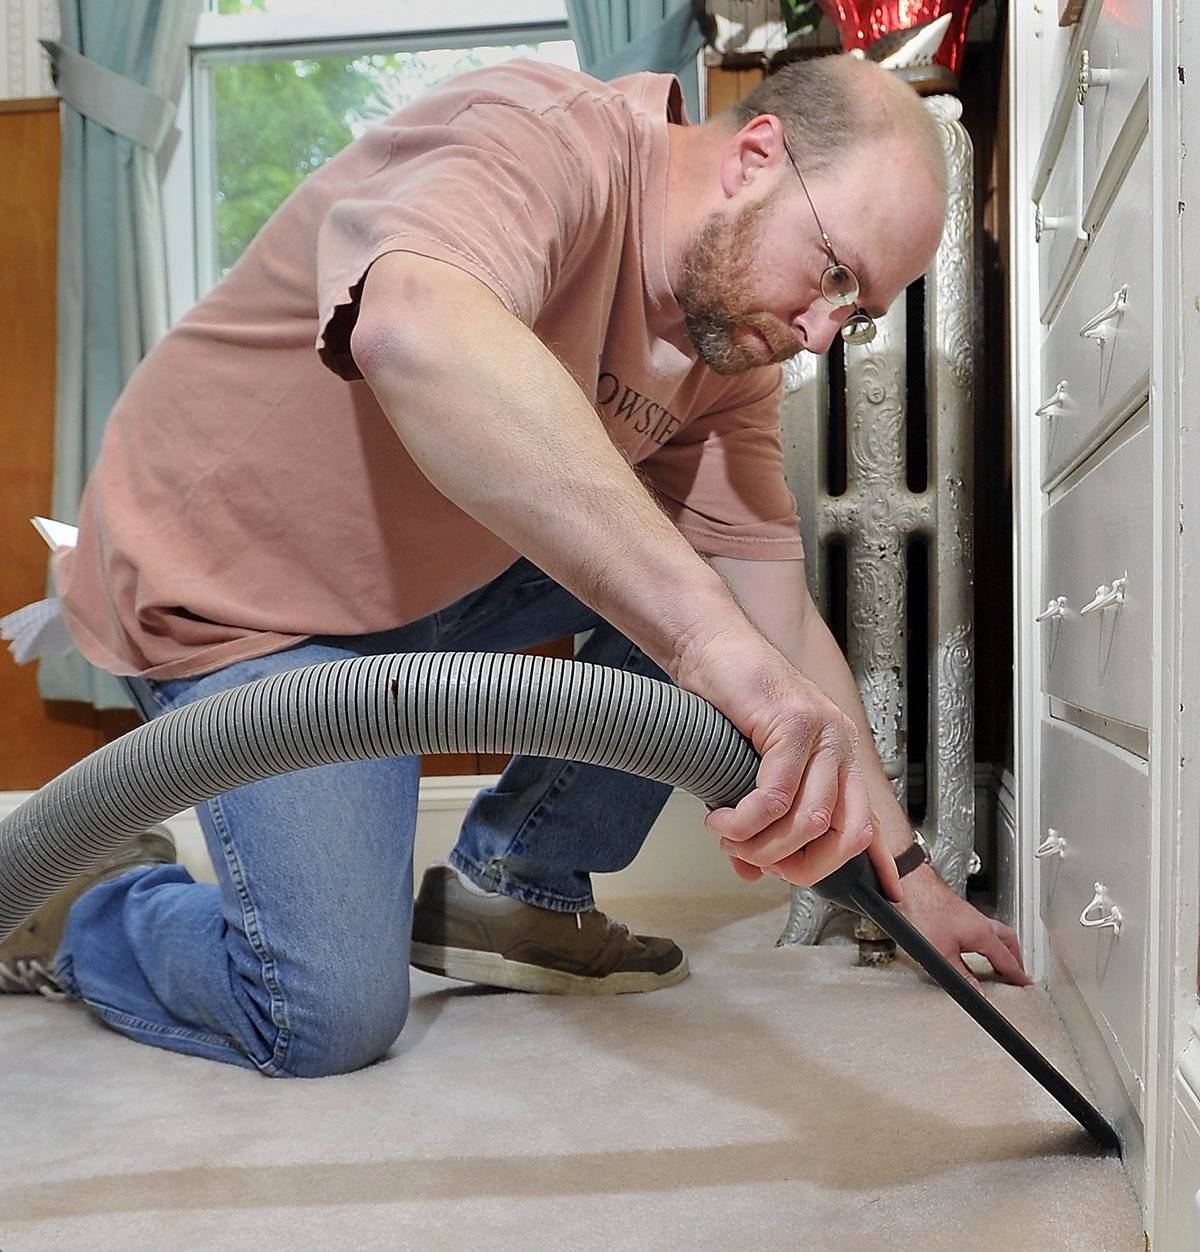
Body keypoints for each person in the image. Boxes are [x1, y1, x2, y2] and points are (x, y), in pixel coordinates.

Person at [0, 51, 1030, 1077]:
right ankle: (75, 905)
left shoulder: (726, 349)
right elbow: (412, 328)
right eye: (833, 274)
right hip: (232, 587)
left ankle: (513, 884)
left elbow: (780, 623)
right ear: (756, 155)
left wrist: (910, 876)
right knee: (324, 1018)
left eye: (855, 316)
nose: (816, 334)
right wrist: (709, 639)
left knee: (727, 606)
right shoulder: (542, 135)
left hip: (418, 583)